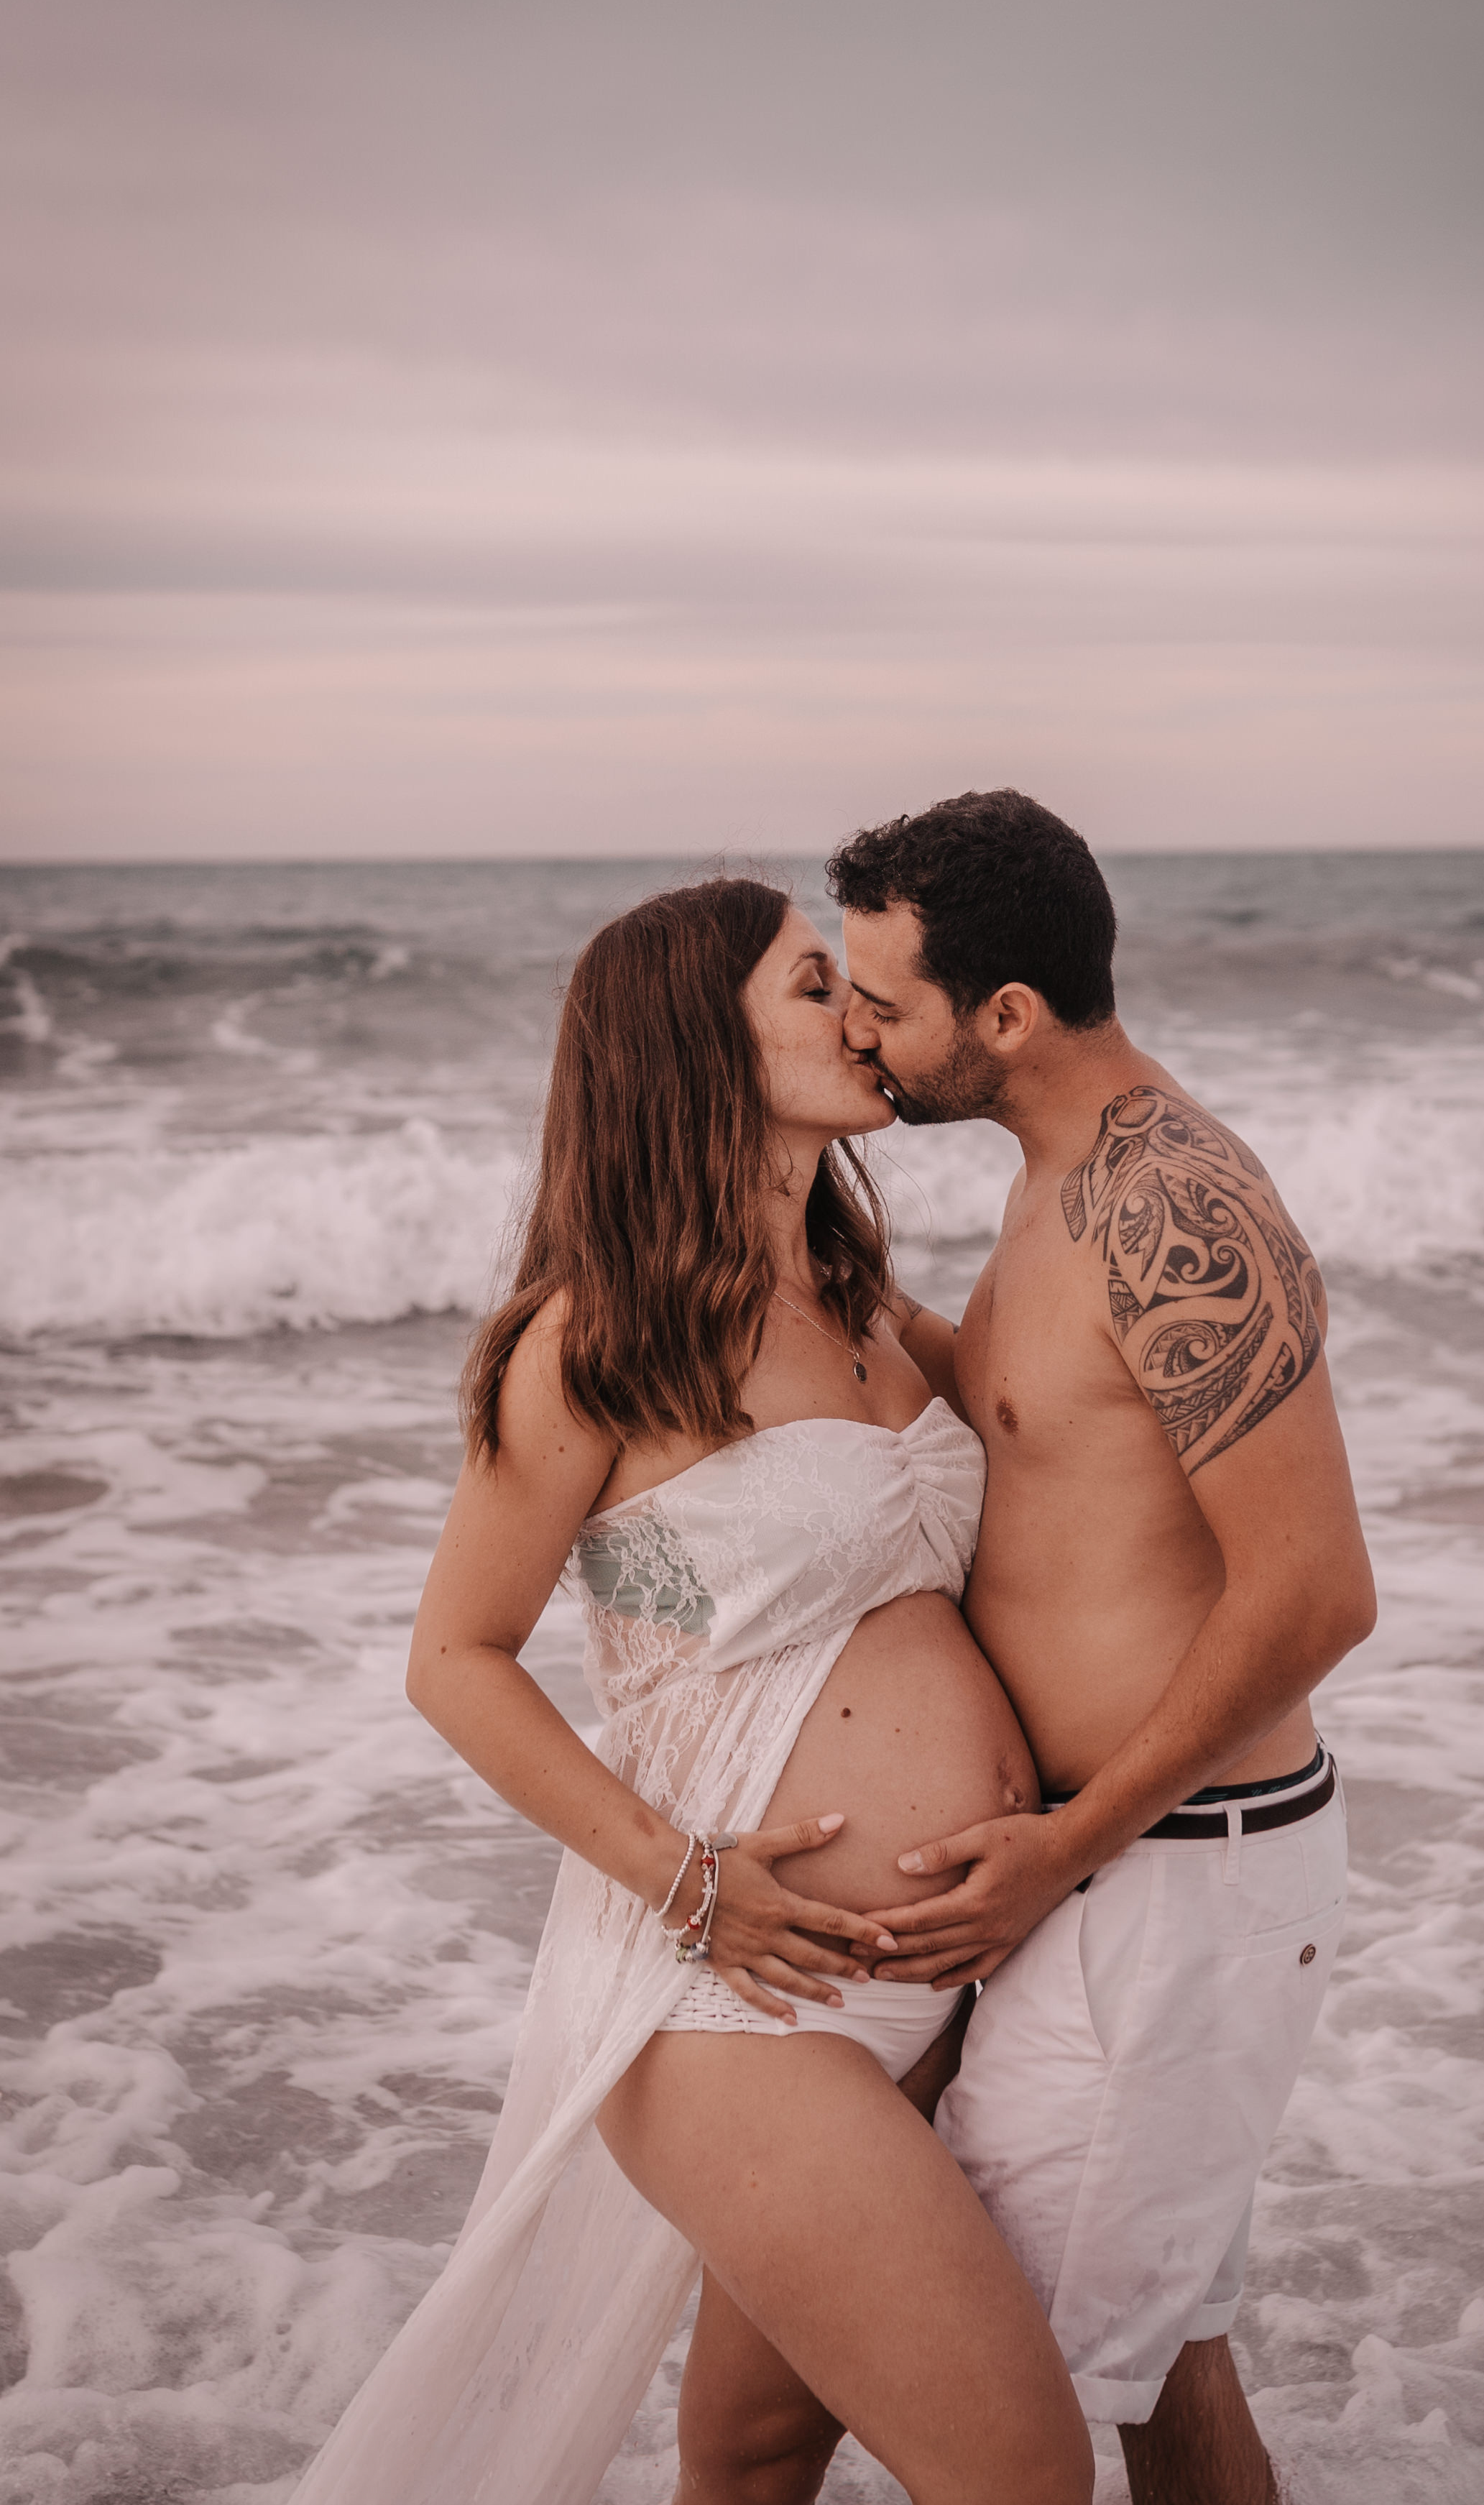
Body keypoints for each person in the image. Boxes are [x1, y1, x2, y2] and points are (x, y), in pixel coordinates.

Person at [287, 876, 1092, 2505]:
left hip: (921, 1980)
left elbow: (1062, 1428)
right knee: (1022, 2475)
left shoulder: (860, 1298)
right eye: (815, 988)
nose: (861, 1015)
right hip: (736, 2000)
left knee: (751, 2448)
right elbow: (454, 1657)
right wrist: (688, 1878)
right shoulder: (596, 1339)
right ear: (694, 1051)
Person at [827, 791, 1377, 2505]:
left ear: (1004, 1015)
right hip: (1130, 1878)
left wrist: (1066, 1839)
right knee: (1152, 2361)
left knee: (1008, 2394)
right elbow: (1044, 1423)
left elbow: (1311, 1592)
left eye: (882, 1003)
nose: (857, 1031)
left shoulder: (1171, 1205)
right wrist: (819, 1290)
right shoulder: (1059, 1176)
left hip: (1169, 1877)